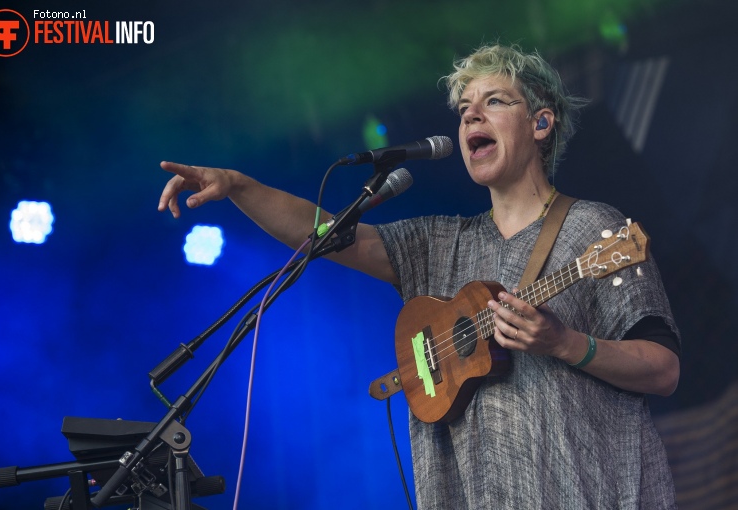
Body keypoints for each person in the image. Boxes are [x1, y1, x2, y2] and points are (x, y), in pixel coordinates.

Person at [158, 43, 680, 509]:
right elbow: (328, 232)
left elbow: (664, 370)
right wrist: (239, 185)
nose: (472, 113)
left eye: (495, 100)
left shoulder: (597, 229)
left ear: (540, 124)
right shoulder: (439, 244)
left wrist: (566, 343)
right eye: (464, 108)